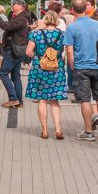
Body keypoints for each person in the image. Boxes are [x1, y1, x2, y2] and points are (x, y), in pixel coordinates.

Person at [63, 0, 98, 142]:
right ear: (86, 8)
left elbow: (69, 51)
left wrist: (71, 66)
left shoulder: (71, 27)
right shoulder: (97, 25)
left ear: (72, 10)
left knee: (84, 100)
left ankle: (89, 131)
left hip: (81, 67)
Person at [25, 10, 67, 139]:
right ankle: (58, 130)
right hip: (56, 69)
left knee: (42, 100)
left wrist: (38, 59)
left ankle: (44, 130)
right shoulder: (62, 35)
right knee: (54, 101)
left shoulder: (36, 34)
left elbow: (28, 52)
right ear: (57, 21)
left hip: (39, 69)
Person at [0, 0, 33, 107]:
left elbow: (6, 26)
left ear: (22, 6)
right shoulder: (20, 17)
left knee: (3, 73)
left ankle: (13, 98)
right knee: (16, 76)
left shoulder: (22, 19)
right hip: (18, 49)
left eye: (14, 4)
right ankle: (19, 101)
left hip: (13, 49)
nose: (12, 6)